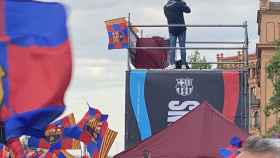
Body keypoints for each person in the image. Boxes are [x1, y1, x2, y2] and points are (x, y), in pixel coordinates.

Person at [164, 0, 191, 69]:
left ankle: (172, 64)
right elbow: (188, 10)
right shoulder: (180, 3)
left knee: (172, 47)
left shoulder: (165, 7)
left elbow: (168, 16)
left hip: (172, 29)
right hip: (181, 28)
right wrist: (183, 3)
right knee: (182, 47)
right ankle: (183, 65)